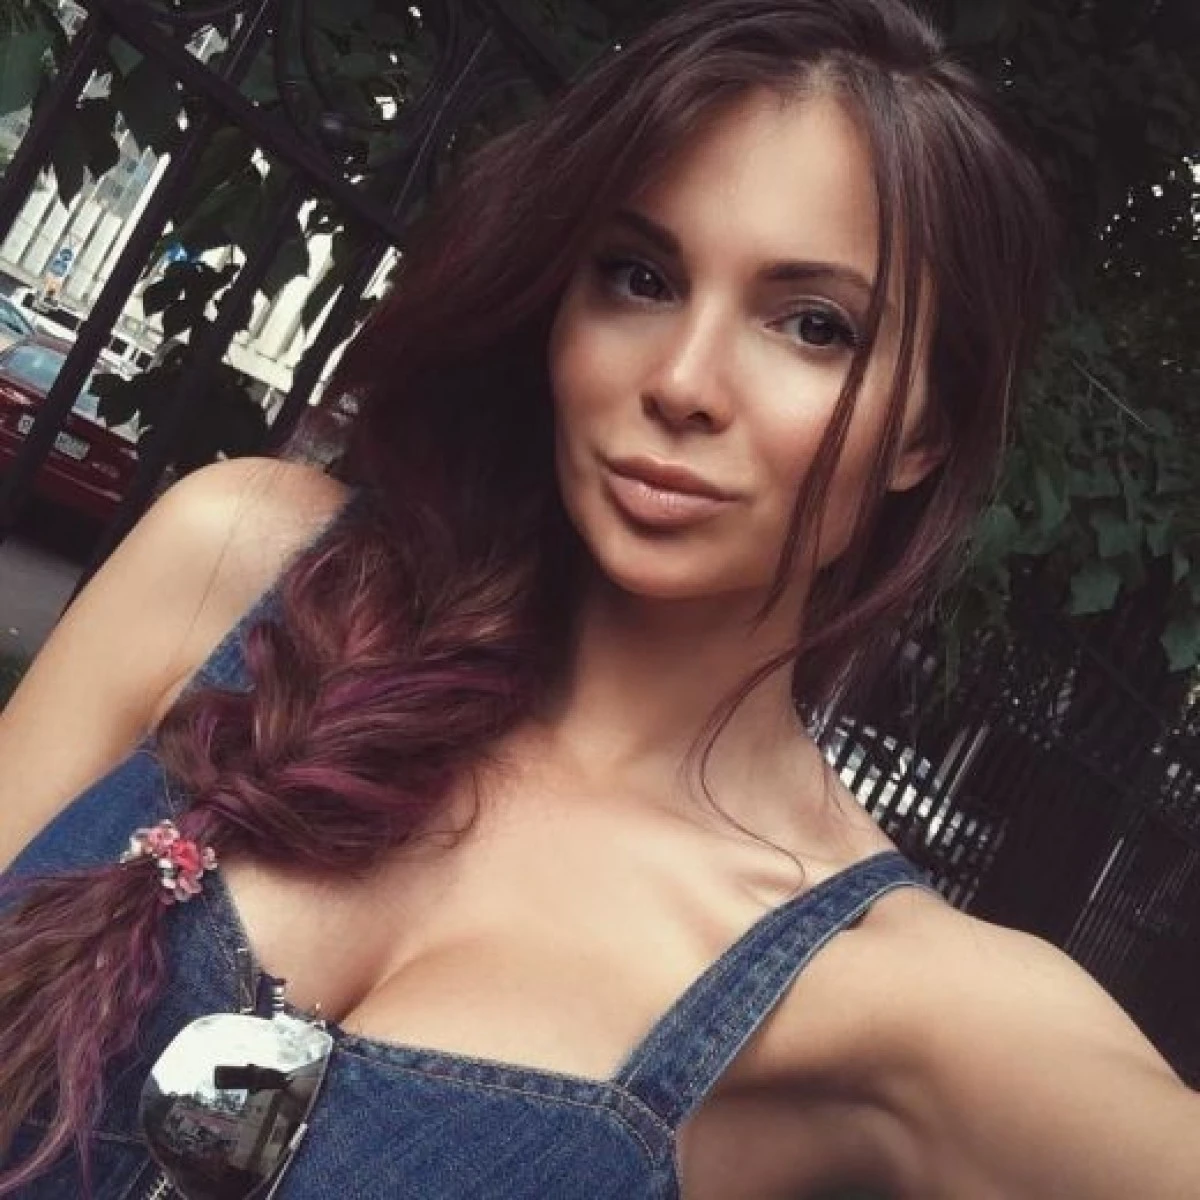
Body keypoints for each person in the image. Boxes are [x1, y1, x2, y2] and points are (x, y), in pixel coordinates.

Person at [0, 1, 1196, 1196]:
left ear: (925, 432)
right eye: (640, 277)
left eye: (814, 325)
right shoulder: (238, 562)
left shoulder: (890, 997)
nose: (682, 382)